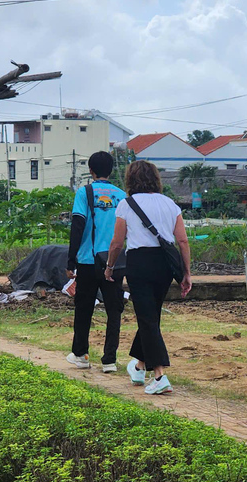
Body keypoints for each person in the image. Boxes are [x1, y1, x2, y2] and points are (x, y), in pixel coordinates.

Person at [104, 160, 192, 395]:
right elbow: (182, 240)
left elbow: (117, 242)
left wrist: (110, 266)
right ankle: (140, 367)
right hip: (164, 264)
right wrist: (186, 272)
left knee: (147, 318)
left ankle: (160, 374)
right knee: (151, 315)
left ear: (131, 179)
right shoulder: (170, 204)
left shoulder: (126, 204)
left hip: (139, 263)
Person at [65, 151, 127, 372]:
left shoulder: (84, 193)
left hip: (88, 261)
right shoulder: (122, 195)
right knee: (114, 309)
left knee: (84, 308)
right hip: (114, 261)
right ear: (110, 170)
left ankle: (81, 355)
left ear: (91, 171)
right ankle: (109, 360)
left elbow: (78, 226)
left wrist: (70, 261)